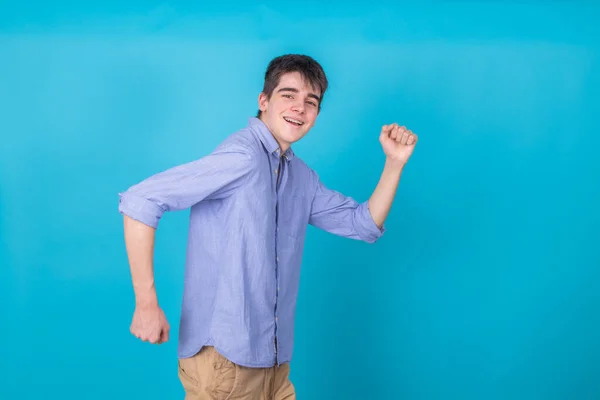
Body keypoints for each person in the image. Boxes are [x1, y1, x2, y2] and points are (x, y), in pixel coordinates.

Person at [118, 54, 418, 399]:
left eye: (311, 101)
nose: (299, 108)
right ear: (264, 101)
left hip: (273, 366)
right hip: (225, 364)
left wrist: (394, 163)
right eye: (288, 95)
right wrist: (146, 303)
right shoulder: (242, 158)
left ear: (317, 115)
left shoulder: (299, 177)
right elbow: (141, 201)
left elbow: (362, 225)